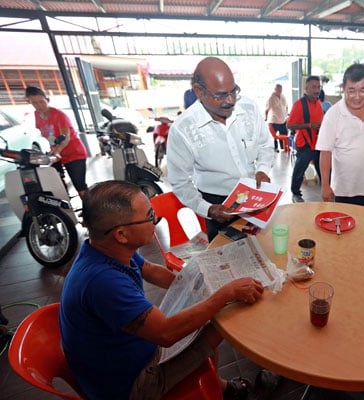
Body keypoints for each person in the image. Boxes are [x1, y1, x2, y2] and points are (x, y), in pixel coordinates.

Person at [59, 180, 268, 400]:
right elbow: (167, 334)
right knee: (220, 321)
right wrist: (226, 293)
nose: (155, 220)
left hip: (122, 353)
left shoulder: (105, 250)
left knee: (208, 309)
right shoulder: (103, 282)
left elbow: (150, 270)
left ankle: (218, 385)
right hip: (130, 385)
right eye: (149, 216)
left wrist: (193, 284)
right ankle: (223, 389)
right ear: (121, 234)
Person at [167, 57, 274, 241]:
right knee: (225, 258)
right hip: (218, 204)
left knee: (262, 249)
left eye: (234, 91)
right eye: (221, 95)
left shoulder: (248, 108)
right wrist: (207, 209)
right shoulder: (183, 129)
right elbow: (179, 181)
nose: (230, 100)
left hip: (255, 197)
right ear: (199, 92)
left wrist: (262, 170)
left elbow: (265, 144)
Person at [316, 64, 364, 210]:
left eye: (363, 90)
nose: (357, 97)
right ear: (343, 88)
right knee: (346, 230)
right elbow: (325, 152)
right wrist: (325, 185)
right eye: (351, 91)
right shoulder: (333, 115)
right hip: (345, 189)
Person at [25, 86, 89, 198]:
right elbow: (45, 134)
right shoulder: (37, 115)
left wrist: (57, 151)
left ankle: (90, 210)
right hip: (56, 154)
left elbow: (65, 137)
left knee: (79, 185)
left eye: (41, 102)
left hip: (74, 153)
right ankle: (65, 206)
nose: (39, 106)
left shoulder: (59, 115)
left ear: (47, 100)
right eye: (34, 103)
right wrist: (52, 151)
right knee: (55, 182)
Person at [287, 75, 323, 203]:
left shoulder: (318, 103)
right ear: (306, 88)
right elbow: (289, 125)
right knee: (300, 169)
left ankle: (327, 190)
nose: (317, 90)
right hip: (304, 143)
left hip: (318, 143)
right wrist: (309, 125)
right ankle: (295, 193)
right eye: (313, 87)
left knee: (323, 168)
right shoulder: (299, 105)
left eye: (318, 87)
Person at [265, 83, 288, 152]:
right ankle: (275, 148)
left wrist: (286, 113)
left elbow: (286, 106)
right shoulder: (271, 98)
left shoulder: (283, 96)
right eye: (278, 89)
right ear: (275, 89)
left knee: (284, 134)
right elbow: (267, 109)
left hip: (283, 120)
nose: (280, 91)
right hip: (274, 120)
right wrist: (266, 118)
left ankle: (283, 147)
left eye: (281, 89)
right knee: (273, 137)